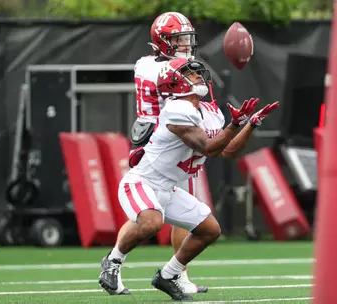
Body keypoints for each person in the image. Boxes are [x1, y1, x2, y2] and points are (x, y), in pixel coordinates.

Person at [99, 57, 279, 301]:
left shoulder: (209, 112)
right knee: (152, 222)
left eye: (197, 73)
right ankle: (113, 261)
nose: (198, 77)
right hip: (143, 182)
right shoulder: (176, 109)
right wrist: (235, 124)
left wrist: (250, 124)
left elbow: (227, 151)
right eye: (191, 74)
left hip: (167, 188)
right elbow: (209, 148)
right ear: (174, 83)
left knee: (210, 230)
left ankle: (169, 275)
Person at [106, 11, 205, 296]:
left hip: (162, 139)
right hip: (166, 143)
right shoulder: (170, 67)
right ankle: (172, 273)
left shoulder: (145, 63)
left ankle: (124, 264)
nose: (185, 44)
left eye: (186, 38)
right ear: (163, 41)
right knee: (156, 214)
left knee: (166, 212)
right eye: (179, 39)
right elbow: (192, 94)